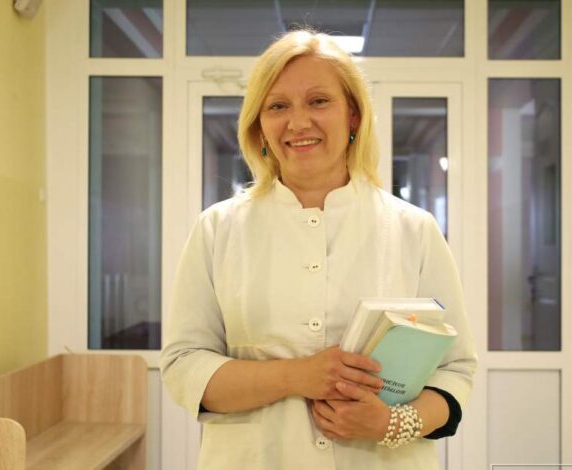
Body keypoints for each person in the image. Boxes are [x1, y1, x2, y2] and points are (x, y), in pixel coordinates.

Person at [160, 29, 476, 470]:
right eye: (278, 106)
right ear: (259, 126)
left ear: (353, 116)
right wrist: (295, 376)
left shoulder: (413, 230)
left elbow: (455, 369)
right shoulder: (218, 229)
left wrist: (391, 423)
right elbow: (183, 366)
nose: (298, 122)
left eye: (318, 101)